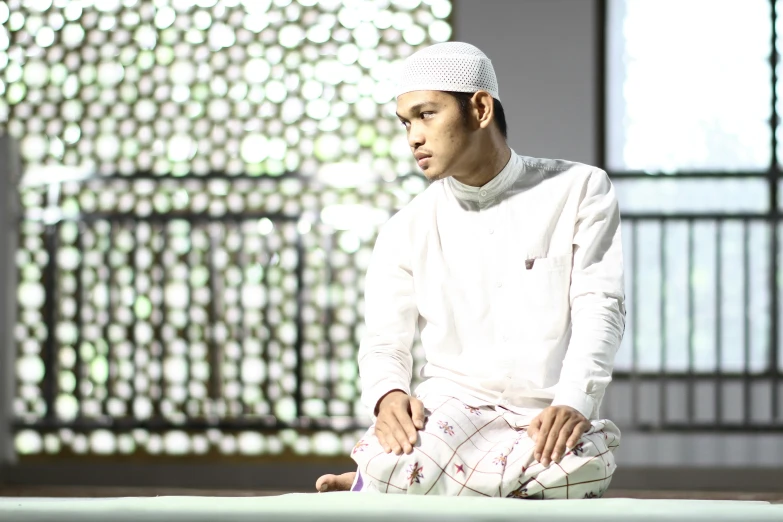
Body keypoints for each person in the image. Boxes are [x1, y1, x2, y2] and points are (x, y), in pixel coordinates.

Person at [316, 42, 625, 499]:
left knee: (589, 462)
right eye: (406, 123)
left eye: (426, 115)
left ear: (480, 108)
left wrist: (573, 401)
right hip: (452, 411)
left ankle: (388, 484)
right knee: (398, 452)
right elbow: (384, 342)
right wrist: (389, 398)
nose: (413, 138)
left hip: (543, 415)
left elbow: (601, 306)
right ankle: (401, 477)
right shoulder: (406, 228)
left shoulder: (578, 189)